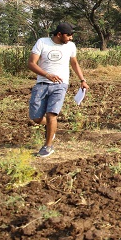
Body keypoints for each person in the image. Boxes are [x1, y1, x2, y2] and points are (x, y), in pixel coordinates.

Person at [27, 22, 89, 158]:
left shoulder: (71, 46)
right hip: (42, 83)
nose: (71, 38)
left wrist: (82, 80)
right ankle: (50, 127)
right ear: (59, 34)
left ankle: (48, 146)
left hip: (61, 85)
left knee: (51, 114)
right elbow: (31, 63)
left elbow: (74, 63)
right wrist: (47, 75)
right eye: (69, 35)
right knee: (36, 118)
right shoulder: (42, 42)